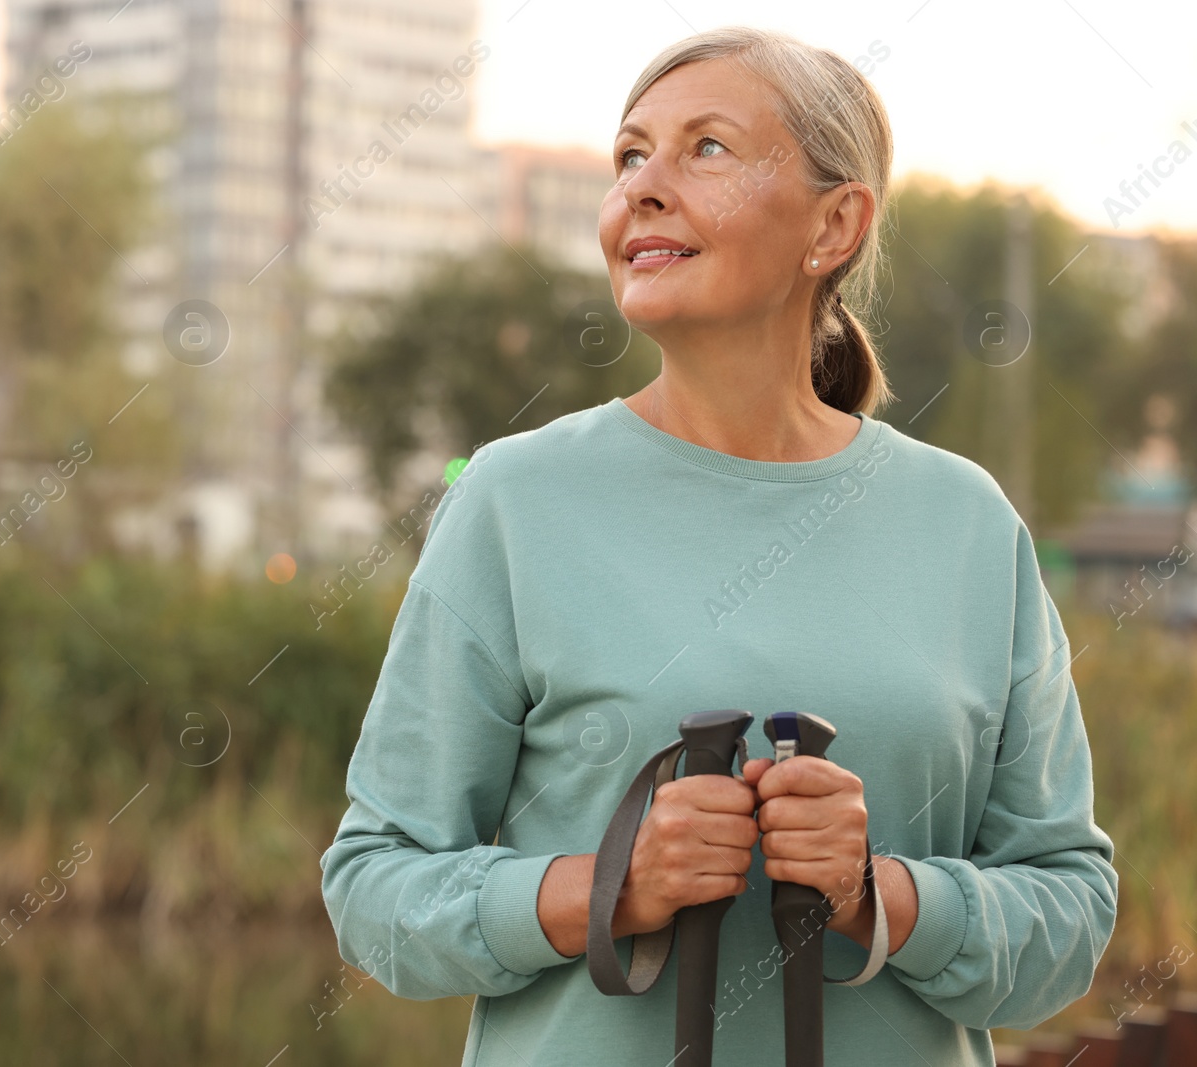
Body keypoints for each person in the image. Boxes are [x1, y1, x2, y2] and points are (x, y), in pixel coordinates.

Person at [319, 25, 1117, 1067]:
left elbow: (1069, 914)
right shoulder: (513, 501)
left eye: (705, 148)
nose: (643, 187)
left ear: (834, 222)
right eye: (629, 155)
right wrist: (609, 882)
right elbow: (376, 890)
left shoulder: (964, 523)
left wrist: (881, 891)